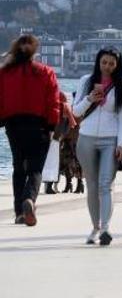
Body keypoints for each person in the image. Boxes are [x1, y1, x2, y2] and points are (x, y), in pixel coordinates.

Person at [0, 35, 60, 226]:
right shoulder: (46, 72)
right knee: (35, 168)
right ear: (35, 51)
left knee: (19, 167)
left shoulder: (5, 73)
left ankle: (19, 212)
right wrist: (52, 125)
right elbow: (53, 102)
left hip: (13, 124)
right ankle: (29, 200)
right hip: (39, 125)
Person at [72, 48, 122, 245]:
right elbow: (75, 112)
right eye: (104, 62)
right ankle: (95, 227)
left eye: (112, 63)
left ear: (117, 66)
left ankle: (105, 228)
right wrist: (90, 99)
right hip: (86, 138)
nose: (108, 67)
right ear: (98, 62)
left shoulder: (121, 86)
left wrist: (121, 143)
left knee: (106, 184)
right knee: (92, 185)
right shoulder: (86, 81)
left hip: (110, 140)